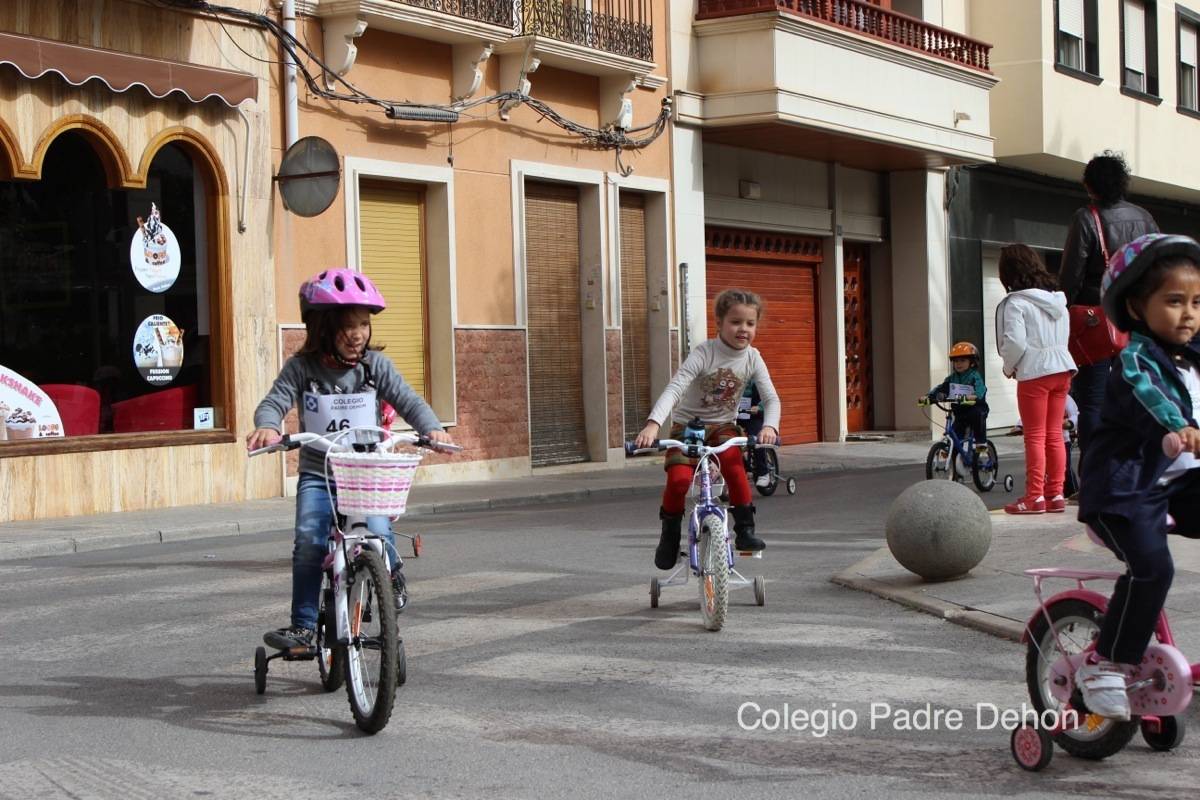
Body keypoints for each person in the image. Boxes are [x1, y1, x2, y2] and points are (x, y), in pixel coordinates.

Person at [247, 268, 454, 651]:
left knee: (378, 530)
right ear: (322, 327)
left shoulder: (375, 368)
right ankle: (304, 625)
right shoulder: (301, 369)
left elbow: (409, 400)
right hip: (318, 473)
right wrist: (268, 426)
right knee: (309, 540)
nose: (358, 332)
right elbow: (273, 402)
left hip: (365, 473)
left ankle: (389, 575)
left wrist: (433, 428)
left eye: (363, 323)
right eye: (347, 325)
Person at [1074, 233, 1200, 720]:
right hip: (1124, 490)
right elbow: (1154, 399)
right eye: (1173, 301)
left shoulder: (1194, 354)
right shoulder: (1135, 361)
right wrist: (1178, 430)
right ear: (1134, 305)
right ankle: (1107, 663)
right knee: (1153, 569)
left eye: (1196, 302)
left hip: (1178, 486)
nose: (1188, 314)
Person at [634, 289, 780, 569]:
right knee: (678, 481)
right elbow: (676, 387)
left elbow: (771, 398)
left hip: (724, 425)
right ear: (719, 323)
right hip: (689, 425)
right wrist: (653, 425)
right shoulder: (704, 352)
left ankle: (745, 531)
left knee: (735, 468)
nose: (743, 329)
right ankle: (669, 536)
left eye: (750, 324)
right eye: (736, 322)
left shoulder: (753, 357)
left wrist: (770, 427)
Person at [1059, 151, 1158, 454]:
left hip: (1096, 321)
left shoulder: (1086, 218)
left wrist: (1066, 308)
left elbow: (1071, 274)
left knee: (1093, 399)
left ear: (1090, 185)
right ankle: (1137, 464)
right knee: (1138, 393)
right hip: (1139, 321)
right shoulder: (1144, 217)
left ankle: (1094, 472)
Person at [996, 244, 1077, 514]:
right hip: (1062, 368)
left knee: (1034, 436)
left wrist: (1009, 367)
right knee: (1055, 434)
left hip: (1034, 371)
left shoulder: (1016, 303)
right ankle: (1055, 494)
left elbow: (1015, 342)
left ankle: (1034, 497)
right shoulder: (1058, 301)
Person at [922, 342, 989, 454]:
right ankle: (953, 454)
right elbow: (941, 388)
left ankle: (981, 442)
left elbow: (981, 390)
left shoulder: (974, 376)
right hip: (960, 412)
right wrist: (929, 397)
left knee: (977, 416)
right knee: (955, 433)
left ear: (972, 362)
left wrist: (974, 396)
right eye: (956, 361)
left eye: (963, 360)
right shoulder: (951, 378)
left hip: (975, 409)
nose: (958, 364)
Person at [738, 379, 771, 488]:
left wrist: (760, 407)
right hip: (737, 415)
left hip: (754, 416)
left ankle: (763, 473)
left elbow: (767, 396)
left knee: (756, 439)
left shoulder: (756, 379)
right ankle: (745, 469)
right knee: (730, 441)